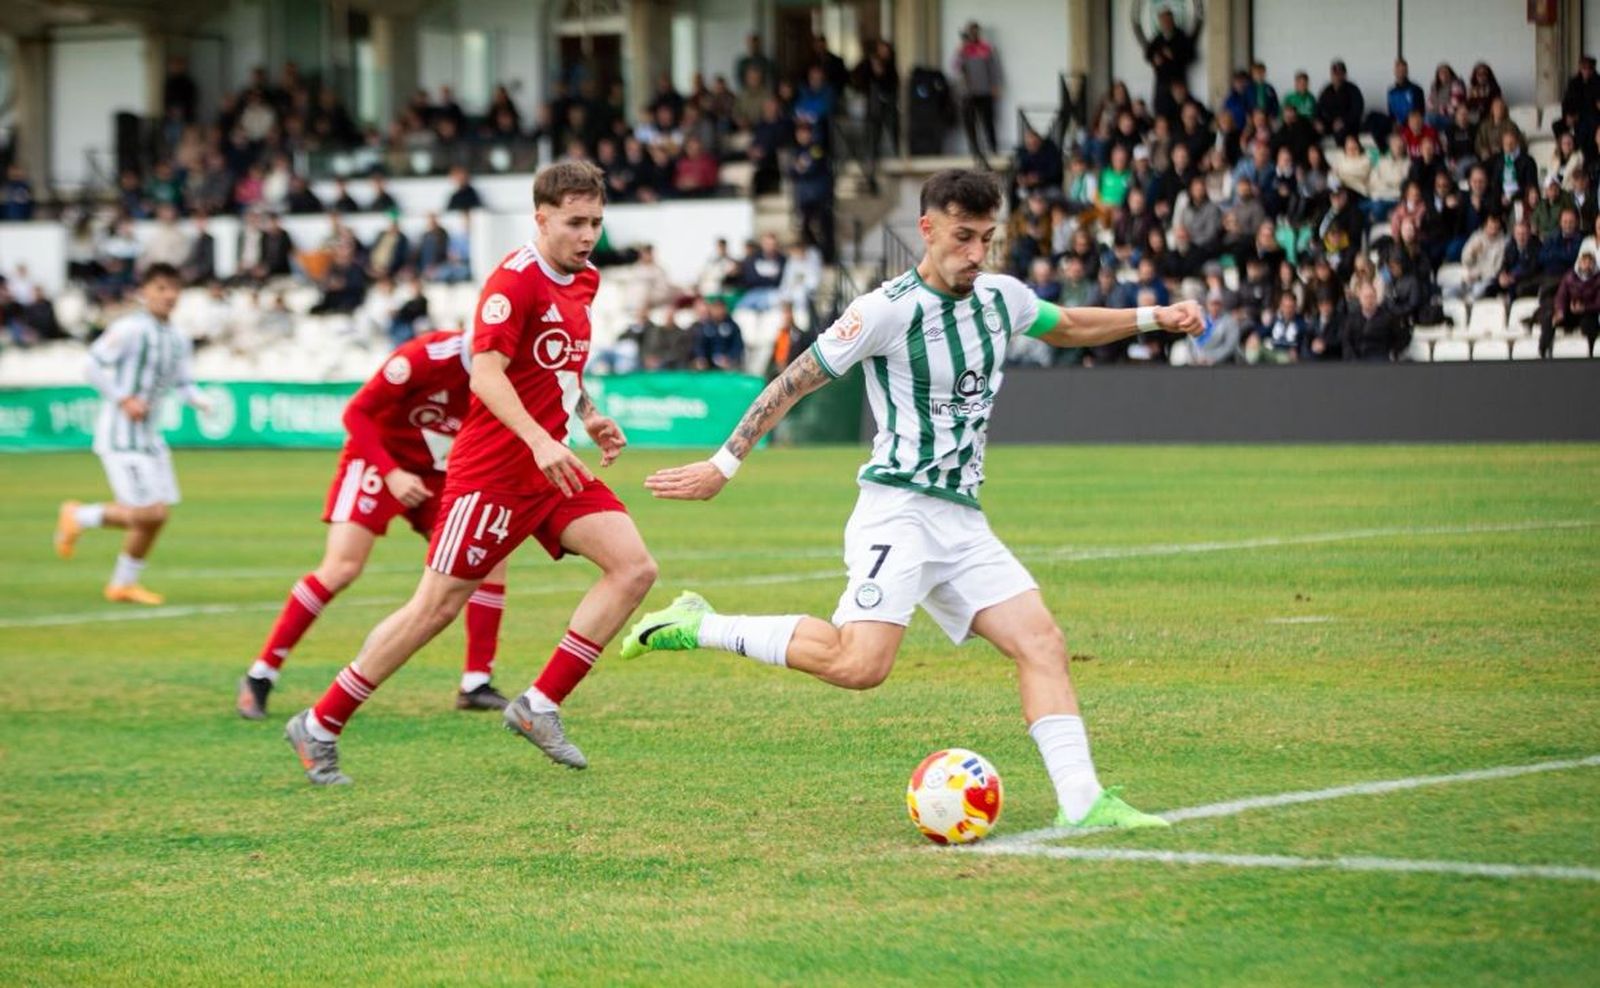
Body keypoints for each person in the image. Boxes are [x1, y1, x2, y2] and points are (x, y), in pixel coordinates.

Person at [627, 169, 1204, 832]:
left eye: (986, 238)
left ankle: (1083, 801)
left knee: (1041, 641)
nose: (976, 253)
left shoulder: (1002, 298)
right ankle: (699, 623)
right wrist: (723, 463)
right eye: (963, 237)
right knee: (859, 664)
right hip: (897, 510)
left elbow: (1068, 324)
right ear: (927, 230)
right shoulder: (884, 311)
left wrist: (1154, 318)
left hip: (961, 518)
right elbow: (794, 380)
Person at [283, 162, 654, 785]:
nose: (588, 235)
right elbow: (485, 374)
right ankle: (321, 722)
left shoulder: (585, 279)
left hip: (549, 470)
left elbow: (560, 369)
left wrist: (588, 414)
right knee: (434, 608)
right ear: (541, 218)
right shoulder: (514, 282)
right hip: (494, 473)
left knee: (634, 568)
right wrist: (539, 440)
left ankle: (539, 704)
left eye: (595, 221)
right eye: (574, 222)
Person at [238, 329, 514, 720]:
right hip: (378, 462)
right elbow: (356, 413)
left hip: (437, 475)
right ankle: (261, 673)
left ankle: (476, 683)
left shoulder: (509, 369)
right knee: (342, 567)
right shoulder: (425, 357)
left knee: (487, 561)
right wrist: (392, 474)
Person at [54, 264, 211, 604]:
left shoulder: (178, 338)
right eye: (160, 288)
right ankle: (79, 516)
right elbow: (91, 365)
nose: (168, 295)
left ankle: (122, 584)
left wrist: (199, 400)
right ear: (144, 292)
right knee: (148, 513)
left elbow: (184, 382)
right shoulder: (129, 329)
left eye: (174, 288)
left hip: (150, 439)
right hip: (121, 437)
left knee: (157, 516)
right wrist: (123, 398)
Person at [953, 22, 1001, 165]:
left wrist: (995, 85)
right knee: (970, 123)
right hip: (967, 93)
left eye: (975, 31)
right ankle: (974, 150)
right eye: (970, 32)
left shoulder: (986, 48)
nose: (973, 34)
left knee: (988, 121)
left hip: (984, 91)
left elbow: (994, 68)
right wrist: (960, 51)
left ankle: (993, 148)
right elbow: (955, 68)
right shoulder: (962, 50)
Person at [1142, 8, 1200, 121]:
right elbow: (1148, 55)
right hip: (1162, 82)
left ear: (1173, 21)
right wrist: (1154, 59)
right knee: (1161, 112)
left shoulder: (1181, 36)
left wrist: (1174, 55)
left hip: (1177, 81)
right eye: (1163, 21)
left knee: (1179, 111)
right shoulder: (1158, 38)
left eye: (1168, 20)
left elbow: (1192, 56)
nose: (1165, 23)